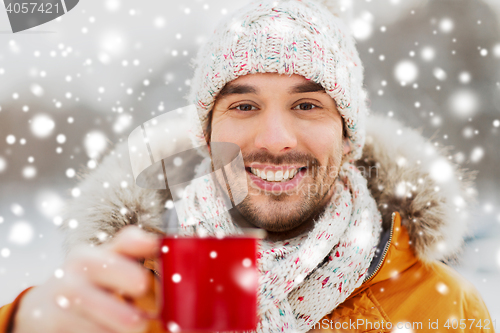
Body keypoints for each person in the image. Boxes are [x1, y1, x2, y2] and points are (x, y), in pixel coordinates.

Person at [1, 0, 494, 332]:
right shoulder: (119, 303)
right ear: (206, 136)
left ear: (348, 139)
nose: (275, 141)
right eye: (243, 106)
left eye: (307, 105)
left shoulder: (446, 308)